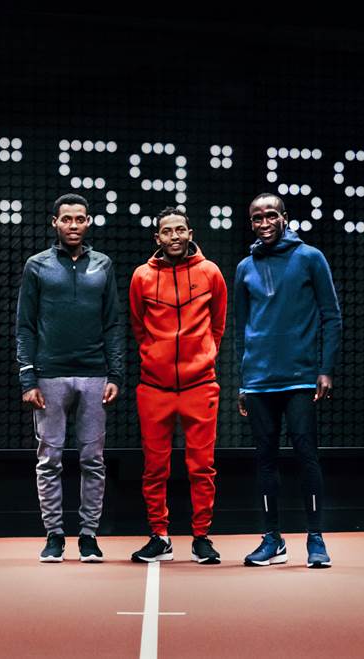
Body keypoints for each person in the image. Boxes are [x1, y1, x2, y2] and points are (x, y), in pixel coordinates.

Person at [235, 193, 342, 568]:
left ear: (284, 218)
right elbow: (241, 328)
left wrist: (325, 369)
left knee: (306, 457)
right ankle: (272, 540)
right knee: (265, 461)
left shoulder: (310, 257)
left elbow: (331, 316)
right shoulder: (244, 267)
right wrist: (243, 381)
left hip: (299, 378)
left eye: (270, 215)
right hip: (259, 382)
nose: (263, 223)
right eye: (256, 218)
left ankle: (315, 538)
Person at [16, 193, 123, 563]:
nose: (73, 225)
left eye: (79, 219)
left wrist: (115, 373)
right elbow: (25, 326)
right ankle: (55, 535)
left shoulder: (103, 264)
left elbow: (112, 324)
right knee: (49, 460)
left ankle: (89, 536)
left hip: (94, 376)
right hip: (49, 376)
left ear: (88, 222)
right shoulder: (37, 266)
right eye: (66, 219)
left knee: (93, 460)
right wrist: (28, 379)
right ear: (55, 223)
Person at [128, 207, 228, 564]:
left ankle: (201, 537)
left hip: (200, 385)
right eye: (167, 231)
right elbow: (139, 326)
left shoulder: (210, 272)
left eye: (180, 230)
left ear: (190, 234)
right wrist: (153, 356)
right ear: (157, 237)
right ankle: (160, 536)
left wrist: (205, 355)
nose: (174, 236)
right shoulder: (141, 276)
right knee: (155, 468)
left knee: (202, 467)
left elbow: (218, 324)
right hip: (154, 388)